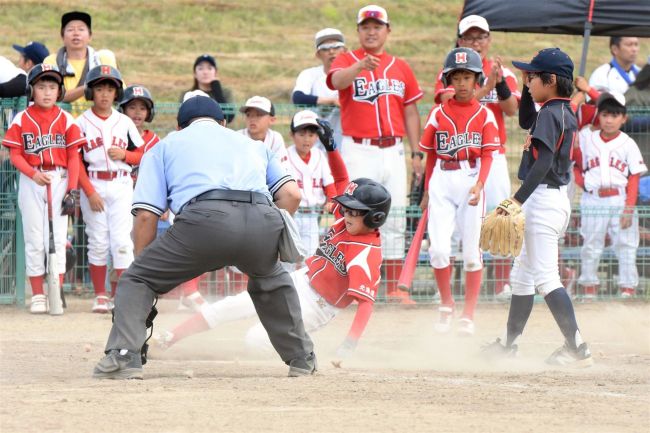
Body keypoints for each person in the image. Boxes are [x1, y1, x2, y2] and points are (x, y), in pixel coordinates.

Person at [92, 95, 315, 380]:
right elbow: (291, 195)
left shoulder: (165, 146)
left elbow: (147, 216)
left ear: (180, 125)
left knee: (137, 280)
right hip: (262, 216)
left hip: (203, 219)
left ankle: (124, 358)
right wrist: (260, 236)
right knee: (272, 281)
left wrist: (144, 268)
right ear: (222, 123)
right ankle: (302, 358)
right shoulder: (254, 145)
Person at [152, 123, 387, 364]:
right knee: (230, 306)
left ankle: (301, 356)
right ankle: (169, 338)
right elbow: (342, 179)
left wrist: (349, 345)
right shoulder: (347, 222)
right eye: (347, 209)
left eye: (354, 211)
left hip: (319, 306)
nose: (346, 213)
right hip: (300, 279)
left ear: (374, 218)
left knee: (256, 340)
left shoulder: (365, 252)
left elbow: (366, 304)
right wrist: (331, 149)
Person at [484, 48, 593, 367]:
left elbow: (543, 162)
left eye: (533, 77)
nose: (528, 82)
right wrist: (511, 86)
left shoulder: (553, 113)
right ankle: (507, 344)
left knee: (546, 277)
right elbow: (525, 119)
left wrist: (515, 201)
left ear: (551, 81)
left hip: (543, 199)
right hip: (550, 199)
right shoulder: (556, 110)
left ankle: (577, 348)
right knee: (522, 276)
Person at [326, 4, 423, 303]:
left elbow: (410, 110)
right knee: (354, 216)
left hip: (392, 149)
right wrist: (358, 67)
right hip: (359, 148)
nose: (371, 31)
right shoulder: (346, 59)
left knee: (393, 217)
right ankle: (348, 285)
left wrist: (416, 151)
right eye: (366, 26)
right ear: (358, 31)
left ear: (387, 30)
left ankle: (394, 288)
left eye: (377, 26)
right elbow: (336, 81)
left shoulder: (400, 66)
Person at [435, 15, 520, 299]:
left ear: (488, 40)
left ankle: (500, 284)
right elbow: (451, 101)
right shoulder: (450, 69)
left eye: (480, 37)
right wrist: (486, 86)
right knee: (461, 220)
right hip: (458, 159)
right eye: (469, 37)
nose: (475, 42)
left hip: (491, 155)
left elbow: (511, 109)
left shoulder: (500, 71)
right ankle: (456, 286)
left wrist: (500, 83)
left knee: (500, 215)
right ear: (460, 40)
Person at [420, 47, 499, 336]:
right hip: (442, 176)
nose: (462, 83)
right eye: (457, 77)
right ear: (448, 81)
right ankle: (446, 304)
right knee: (439, 249)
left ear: (477, 79)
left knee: (471, 253)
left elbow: (488, 155)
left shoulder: (485, 115)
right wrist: (427, 187)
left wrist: (480, 183)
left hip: (470, 178)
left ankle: (468, 313)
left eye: (468, 77)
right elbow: (429, 153)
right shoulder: (437, 112)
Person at [1, 64, 83, 313]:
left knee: (57, 239)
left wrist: (71, 189)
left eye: (52, 87)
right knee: (35, 238)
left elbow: (73, 157)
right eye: (41, 86)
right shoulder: (21, 118)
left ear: (59, 90)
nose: (47, 92)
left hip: (59, 179)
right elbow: (15, 155)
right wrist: (33, 174)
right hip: (32, 180)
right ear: (31, 90)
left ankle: (54, 292)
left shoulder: (66, 119)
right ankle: (37, 293)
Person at [76, 65, 144, 313]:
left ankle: (120, 296)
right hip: (93, 182)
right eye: (99, 88)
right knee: (97, 242)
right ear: (91, 92)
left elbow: (142, 154)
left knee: (121, 241)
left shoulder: (124, 121)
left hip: (121, 183)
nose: (105, 94)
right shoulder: (81, 122)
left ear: (117, 93)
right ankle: (100, 295)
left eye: (110, 89)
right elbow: (76, 161)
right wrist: (89, 191)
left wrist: (126, 154)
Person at [573, 91, 647, 298]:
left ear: (623, 119)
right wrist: (583, 183)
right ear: (599, 115)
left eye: (615, 115)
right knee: (590, 244)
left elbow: (634, 178)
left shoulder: (628, 143)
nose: (609, 120)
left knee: (625, 245)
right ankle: (589, 288)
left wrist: (629, 209)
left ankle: (627, 289)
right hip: (593, 198)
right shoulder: (587, 138)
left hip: (620, 199)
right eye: (605, 114)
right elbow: (575, 164)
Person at [286, 110, 336, 257]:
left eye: (311, 135)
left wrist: (331, 199)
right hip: (291, 215)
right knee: (288, 258)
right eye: (301, 134)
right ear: (292, 135)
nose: (306, 139)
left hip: (312, 215)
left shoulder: (320, 156)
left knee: (309, 259)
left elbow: (329, 181)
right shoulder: (284, 156)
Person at [43, 11, 117, 108]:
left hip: (97, 119)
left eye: (81, 29)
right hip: (63, 120)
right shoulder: (52, 61)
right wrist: (90, 86)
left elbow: (118, 92)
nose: (76, 33)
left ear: (90, 36)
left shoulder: (104, 59)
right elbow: (53, 96)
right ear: (62, 36)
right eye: (70, 30)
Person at [292, 28, 346, 145]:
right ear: (318, 54)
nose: (331, 51)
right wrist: (331, 101)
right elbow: (298, 98)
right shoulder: (310, 74)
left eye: (336, 46)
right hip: (316, 143)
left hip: (347, 142)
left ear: (345, 50)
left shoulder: (354, 75)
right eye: (325, 48)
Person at [237, 95, 290, 170]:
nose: (252, 119)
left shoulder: (276, 138)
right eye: (248, 115)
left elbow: (283, 169)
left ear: (272, 120)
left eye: (259, 115)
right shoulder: (237, 137)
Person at [181, 54, 234, 124]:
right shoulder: (187, 94)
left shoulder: (226, 92)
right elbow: (182, 118)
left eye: (209, 68)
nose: (205, 72)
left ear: (215, 72)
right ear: (195, 73)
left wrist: (216, 88)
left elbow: (229, 117)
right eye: (200, 68)